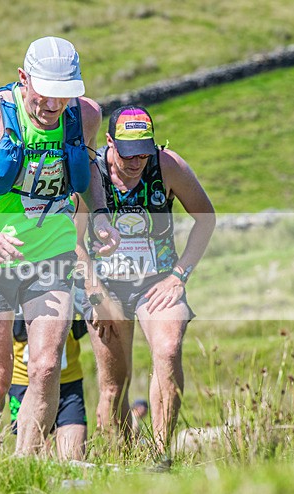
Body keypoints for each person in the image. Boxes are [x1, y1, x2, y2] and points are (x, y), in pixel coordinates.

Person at [0, 36, 119, 454]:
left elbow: (88, 165)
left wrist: (101, 213)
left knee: (47, 366)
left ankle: (25, 462)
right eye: (45, 93)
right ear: (23, 78)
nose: (53, 105)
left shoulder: (85, 114)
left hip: (52, 253)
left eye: (63, 95)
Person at [77, 105, 215, 455]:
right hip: (104, 285)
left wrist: (180, 275)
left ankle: (160, 456)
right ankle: (123, 460)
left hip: (157, 282)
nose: (137, 161)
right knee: (114, 386)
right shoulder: (91, 173)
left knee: (168, 350)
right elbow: (73, 241)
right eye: (128, 154)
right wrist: (95, 294)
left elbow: (206, 218)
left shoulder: (167, 165)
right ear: (110, 142)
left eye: (143, 153)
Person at [8, 292, 89, 460]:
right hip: (24, 383)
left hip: (69, 381)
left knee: (73, 458)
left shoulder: (69, 284)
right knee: (35, 457)